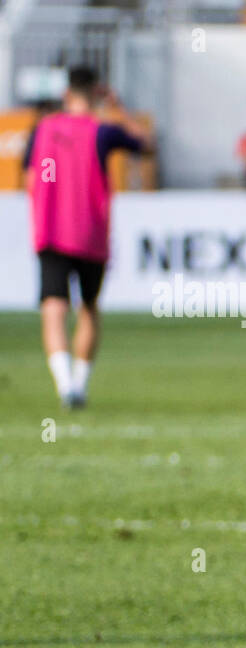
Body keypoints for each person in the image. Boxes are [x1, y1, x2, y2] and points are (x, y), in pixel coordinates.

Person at [24, 65, 151, 409]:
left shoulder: (44, 130)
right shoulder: (104, 132)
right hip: (90, 232)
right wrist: (118, 106)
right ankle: (78, 384)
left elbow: (33, 180)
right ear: (97, 94)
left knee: (53, 307)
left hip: (51, 230)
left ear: (67, 94)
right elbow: (145, 142)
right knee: (89, 308)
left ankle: (65, 385)